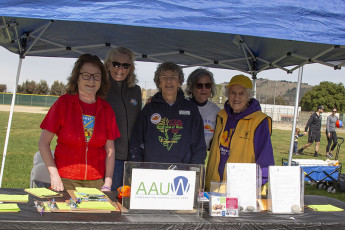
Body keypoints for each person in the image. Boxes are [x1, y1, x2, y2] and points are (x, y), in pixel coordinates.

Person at [39, 54, 120, 192]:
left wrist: (107, 182)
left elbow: (110, 151)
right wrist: (54, 175)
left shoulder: (106, 110)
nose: (92, 80)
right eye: (86, 75)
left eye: (96, 76)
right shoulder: (63, 104)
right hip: (64, 180)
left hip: (96, 181)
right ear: (77, 78)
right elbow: (43, 143)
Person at [205, 74, 274, 191]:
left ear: (249, 96)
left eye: (241, 93)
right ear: (227, 95)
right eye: (233, 92)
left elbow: (265, 159)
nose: (236, 97)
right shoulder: (221, 116)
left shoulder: (259, 121)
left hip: (242, 189)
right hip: (215, 187)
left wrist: (256, 186)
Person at [130, 62, 206, 164]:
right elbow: (136, 143)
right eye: (164, 77)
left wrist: (195, 170)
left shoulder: (191, 109)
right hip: (152, 172)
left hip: (182, 174)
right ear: (159, 82)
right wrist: (137, 167)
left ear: (179, 82)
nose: (168, 81)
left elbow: (199, 147)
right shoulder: (149, 110)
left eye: (173, 77)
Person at [104, 47, 142, 191]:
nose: (120, 69)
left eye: (125, 65)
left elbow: (139, 120)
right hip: (110, 159)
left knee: (128, 204)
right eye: (116, 64)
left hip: (133, 159)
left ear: (131, 68)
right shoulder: (101, 89)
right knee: (110, 203)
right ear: (108, 64)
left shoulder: (136, 90)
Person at [185, 68, 220, 150]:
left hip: (202, 157)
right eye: (199, 85)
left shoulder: (217, 111)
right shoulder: (181, 106)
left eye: (207, 85)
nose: (204, 89)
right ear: (191, 87)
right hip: (181, 158)